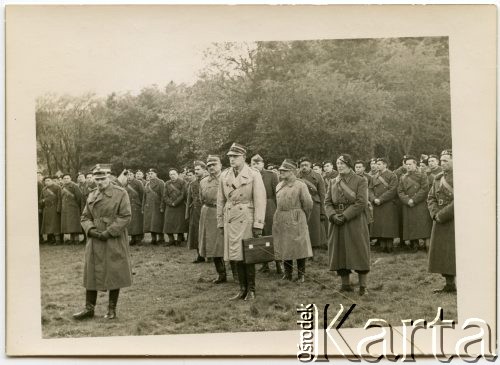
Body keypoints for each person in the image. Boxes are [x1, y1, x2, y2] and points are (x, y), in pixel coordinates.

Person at [73, 167, 132, 320]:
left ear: (109, 177)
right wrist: (90, 230)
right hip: (95, 238)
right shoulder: (92, 194)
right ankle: (89, 308)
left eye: (102, 178)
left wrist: (109, 232)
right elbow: (85, 216)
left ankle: (112, 310)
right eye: (96, 179)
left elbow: (125, 216)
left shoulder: (120, 193)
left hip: (113, 238)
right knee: (91, 272)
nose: (99, 182)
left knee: (114, 271)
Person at [217, 143, 266, 300]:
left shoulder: (253, 174)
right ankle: (242, 289)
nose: (232, 159)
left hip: (246, 217)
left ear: (244, 157)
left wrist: (258, 224)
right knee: (235, 254)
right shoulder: (224, 175)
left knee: (248, 254)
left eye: (235, 156)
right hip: (230, 217)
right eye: (230, 156)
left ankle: (251, 290)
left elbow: (260, 200)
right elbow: (220, 200)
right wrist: (220, 221)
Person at [326, 154, 370, 295]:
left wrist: (345, 216)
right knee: (340, 252)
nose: (339, 165)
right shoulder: (333, 181)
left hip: (354, 220)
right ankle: (345, 285)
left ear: (349, 165)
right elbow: (327, 202)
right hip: (336, 221)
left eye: (343, 163)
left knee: (359, 251)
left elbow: (361, 202)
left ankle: (363, 286)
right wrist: (332, 215)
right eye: (338, 163)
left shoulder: (360, 180)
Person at [273, 159, 313, 282]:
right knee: (284, 246)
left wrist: (302, 216)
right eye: (280, 170)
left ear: (291, 171)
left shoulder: (300, 185)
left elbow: (308, 204)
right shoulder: (279, 185)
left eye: (284, 170)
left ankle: (301, 274)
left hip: (296, 217)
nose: (281, 172)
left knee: (299, 246)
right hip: (281, 217)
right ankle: (288, 273)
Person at [427, 150, 455, 293]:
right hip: (439, 219)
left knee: (454, 252)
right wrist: (434, 213)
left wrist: (442, 215)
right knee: (443, 253)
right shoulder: (438, 179)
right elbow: (431, 197)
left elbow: (461, 200)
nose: (442, 163)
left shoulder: (460, 177)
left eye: (446, 160)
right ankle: (449, 284)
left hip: (454, 220)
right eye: (441, 160)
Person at [251, 154, 282, 275]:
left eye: (258, 163)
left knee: (272, 235)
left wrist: (276, 209)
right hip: (255, 207)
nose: (255, 166)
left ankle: (279, 264)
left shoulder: (271, 175)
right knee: (260, 235)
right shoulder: (250, 176)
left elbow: (277, 194)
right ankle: (265, 264)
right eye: (253, 163)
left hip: (269, 207)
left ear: (263, 164)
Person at [199, 155, 228, 282]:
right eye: (209, 165)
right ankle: (221, 274)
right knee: (212, 245)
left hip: (224, 213)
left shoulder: (227, 178)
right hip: (208, 213)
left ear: (220, 165)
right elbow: (201, 198)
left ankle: (238, 274)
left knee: (228, 244)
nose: (211, 167)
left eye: (214, 164)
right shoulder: (203, 181)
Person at [397, 156, 433, 252]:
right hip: (408, 204)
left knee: (423, 224)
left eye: (410, 164)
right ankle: (414, 244)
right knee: (411, 225)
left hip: (420, 203)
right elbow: (400, 191)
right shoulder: (403, 177)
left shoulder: (422, 175)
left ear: (415, 164)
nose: (408, 166)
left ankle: (427, 245)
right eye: (406, 164)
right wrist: (407, 200)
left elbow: (424, 189)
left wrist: (414, 200)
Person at [369, 158, 399, 253]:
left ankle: (389, 246)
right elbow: (370, 190)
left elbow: (393, 190)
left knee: (388, 226)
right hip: (377, 204)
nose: (377, 166)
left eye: (379, 164)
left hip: (388, 204)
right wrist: (373, 199)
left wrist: (380, 199)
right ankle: (382, 246)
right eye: (377, 164)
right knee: (380, 226)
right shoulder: (374, 177)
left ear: (385, 165)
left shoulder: (392, 175)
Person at [297, 157, 327, 249]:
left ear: (310, 166)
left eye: (306, 165)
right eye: (302, 165)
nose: (304, 167)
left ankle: (314, 249)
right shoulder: (296, 176)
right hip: (300, 205)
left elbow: (322, 195)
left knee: (314, 228)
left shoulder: (318, 176)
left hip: (315, 205)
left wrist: (323, 211)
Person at [186, 161, 208, 263]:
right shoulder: (192, 184)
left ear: (204, 169)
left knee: (208, 233)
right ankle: (200, 255)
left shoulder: (209, 181)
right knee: (196, 233)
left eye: (198, 169)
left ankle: (211, 254)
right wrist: (187, 214)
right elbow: (189, 200)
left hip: (207, 211)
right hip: (195, 212)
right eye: (195, 170)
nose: (196, 171)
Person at [161, 168, 188, 245]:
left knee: (180, 224)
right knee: (168, 224)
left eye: (174, 174)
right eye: (170, 174)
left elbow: (183, 194)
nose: (172, 176)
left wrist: (175, 203)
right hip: (169, 207)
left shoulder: (183, 182)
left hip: (180, 206)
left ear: (177, 174)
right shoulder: (167, 183)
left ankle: (179, 240)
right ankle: (171, 240)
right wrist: (170, 203)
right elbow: (165, 195)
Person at [142, 168, 165, 245]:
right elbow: (144, 197)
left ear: (156, 174)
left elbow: (163, 196)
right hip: (149, 206)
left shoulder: (161, 183)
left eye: (152, 173)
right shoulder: (147, 184)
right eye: (149, 173)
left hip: (157, 206)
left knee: (158, 223)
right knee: (150, 223)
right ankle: (153, 239)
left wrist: (162, 206)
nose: (150, 175)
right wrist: (143, 207)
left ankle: (161, 238)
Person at [61, 174, 84, 244]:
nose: (66, 179)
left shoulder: (75, 186)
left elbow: (79, 197)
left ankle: (76, 239)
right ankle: (71, 239)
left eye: (68, 178)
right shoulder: (63, 186)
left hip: (73, 208)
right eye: (64, 178)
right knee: (69, 224)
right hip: (66, 208)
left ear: (70, 179)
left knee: (75, 224)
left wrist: (76, 205)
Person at [123, 170, 145, 245]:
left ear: (134, 175)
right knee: (131, 223)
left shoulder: (138, 183)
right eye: (128, 175)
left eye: (130, 175)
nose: (129, 176)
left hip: (137, 205)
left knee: (138, 223)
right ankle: (133, 238)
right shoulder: (125, 184)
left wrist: (142, 204)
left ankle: (138, 239)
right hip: (129, 205)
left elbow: (142, 194)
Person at [40, 176, 62, 245]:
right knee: (49, 226)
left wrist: (58, 208)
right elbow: (40, 200)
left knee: (55, 225)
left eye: (49, 180)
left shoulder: (57, 187)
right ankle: (52, 240)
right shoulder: (44, 189)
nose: (47, 182)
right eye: (46, 181)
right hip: (47, 209)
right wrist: (43, 201)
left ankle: (58, 240)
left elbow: (59, 199)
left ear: (52, 181)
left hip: (54, 209)